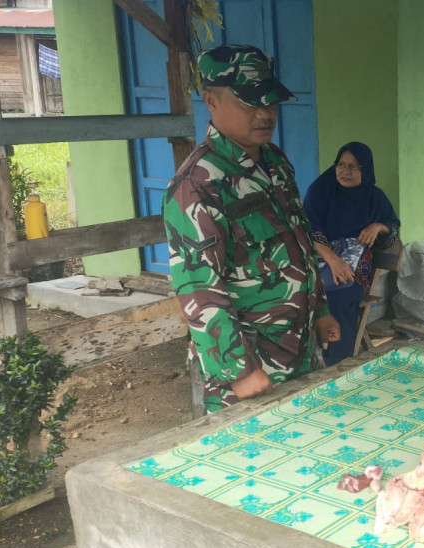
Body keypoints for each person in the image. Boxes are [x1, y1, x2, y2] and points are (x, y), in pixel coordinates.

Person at [163, 44, 340, 412]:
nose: (264, 114)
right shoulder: (197, 183)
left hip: (301, 350)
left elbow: (300, 242)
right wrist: (240, 370)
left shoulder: (275, 162)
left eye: (270, 102)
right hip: (252, 369)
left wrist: (320, 310)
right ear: (210, 101)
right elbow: (197, 284)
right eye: (248, 103)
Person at [303, 142, 400, 365]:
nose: (345, 171)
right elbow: (307, 229)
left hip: (359, 266)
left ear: (365, 170)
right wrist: (332, 259)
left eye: (353, 167)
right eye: (341, 165)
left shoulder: (375, 197)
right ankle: (310, 359)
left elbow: (393, 231)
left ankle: (339, 362)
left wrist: (378, 227)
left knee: (337, 292)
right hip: (320, 256)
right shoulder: (320, 191)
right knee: (299, 290)